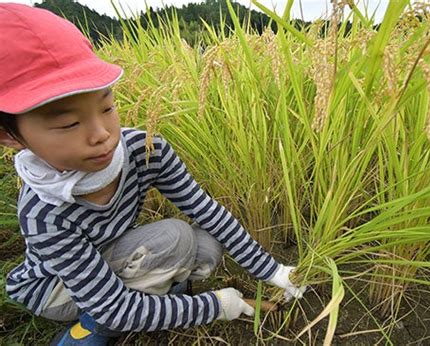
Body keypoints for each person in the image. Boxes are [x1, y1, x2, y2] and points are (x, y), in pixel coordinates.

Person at [0, 3, 306, 345]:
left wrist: (274, 271)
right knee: (169, 245)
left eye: (107, 107)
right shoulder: (43, 212)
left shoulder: (146, 150)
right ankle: (91, 328)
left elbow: (207, 211)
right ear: (9, 135)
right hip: (56, 287)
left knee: (207, 241)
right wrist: (216, 306)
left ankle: (152, 301)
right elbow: (113, 306)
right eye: (69, 123)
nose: (101, 133)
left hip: (113, 255)